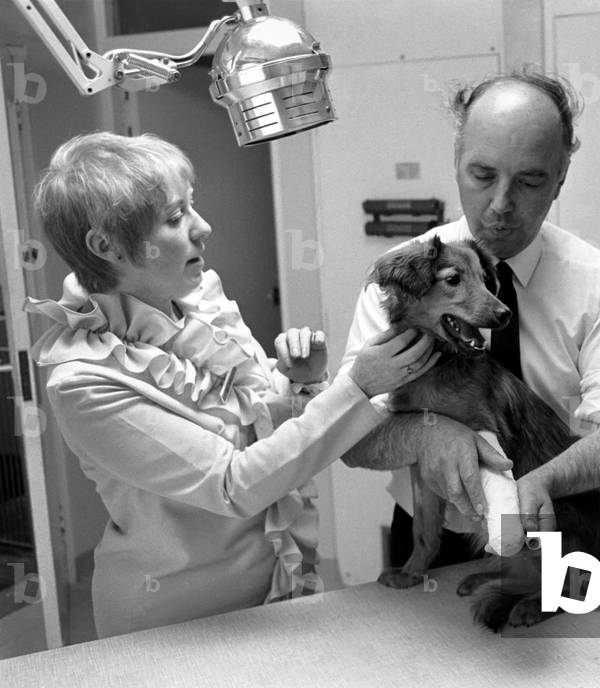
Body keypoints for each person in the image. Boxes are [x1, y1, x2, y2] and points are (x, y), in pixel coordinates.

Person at [24, 132, 438, 637]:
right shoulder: (82, 380)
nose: (203, 228)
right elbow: (232, 484)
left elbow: (263, 427)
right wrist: (356, 387)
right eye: (175, 218)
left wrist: (302, 384)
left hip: (274, 592)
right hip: (175, 624)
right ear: (106, 246)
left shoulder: (200, 305)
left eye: (191, 206)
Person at [340, 68, 600, 568]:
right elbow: (351, 438)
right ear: (456, 162)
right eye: (483, 175)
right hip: (430, 534)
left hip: (548, 524)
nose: (501, 205)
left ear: (560, 179)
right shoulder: (402, 283)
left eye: (530, 180)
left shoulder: (599, 281)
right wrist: (428, 432)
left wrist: (540, 482)